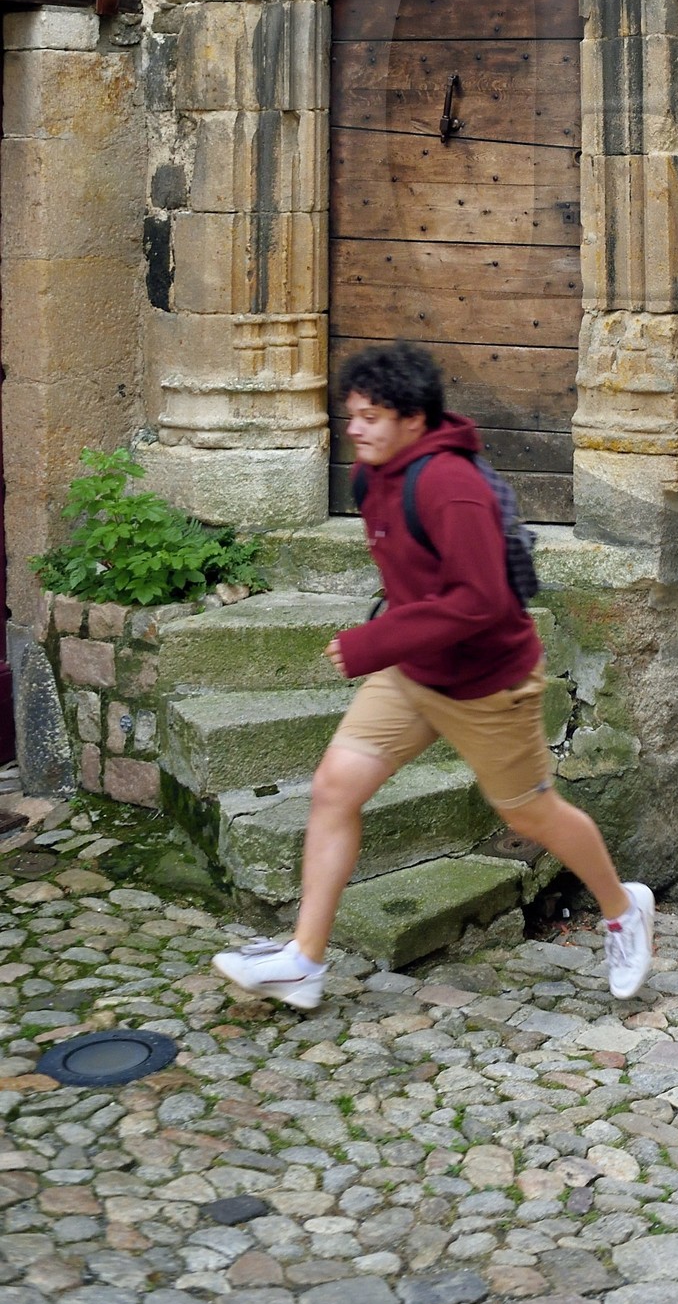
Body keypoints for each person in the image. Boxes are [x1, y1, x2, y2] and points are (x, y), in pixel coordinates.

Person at [214, 342, 654, 1010]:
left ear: (414, 419)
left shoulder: (453, 488)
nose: (355, 428)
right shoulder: (373, 476)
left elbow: (479, 602)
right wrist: (395, 644)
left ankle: (625, 910)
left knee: (530, 813)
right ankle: (303, 961)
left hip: (487, 684)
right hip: (416, 676)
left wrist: (375, 640)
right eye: (353, 414)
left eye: (372, 416)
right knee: (335, 788)